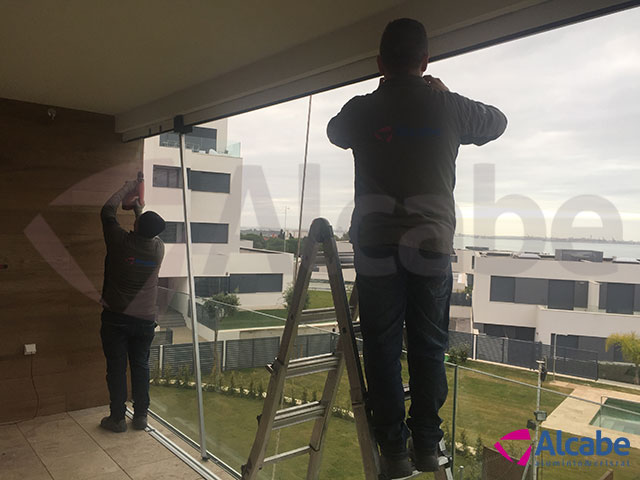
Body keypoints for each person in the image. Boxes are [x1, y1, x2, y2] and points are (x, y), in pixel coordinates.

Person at [327, 18, 507, 477]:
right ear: (426, 61)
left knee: (382, 348)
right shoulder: (447, 106)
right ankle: (427, 444)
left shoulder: (362, 110)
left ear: (380, 63)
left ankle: (394, 450)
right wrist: (441, 94)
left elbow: (334, 131)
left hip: (376, 245)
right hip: (430, 244)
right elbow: (497, 121)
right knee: (429, 346)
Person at [99, 178, 166, 432]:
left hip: (116, 319)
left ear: (136, 226)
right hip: (146, 320)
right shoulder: (158, 249)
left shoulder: (119, 242)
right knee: (140, 366)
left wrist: (125, 187)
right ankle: (141, 417)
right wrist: (138, 206)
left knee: (116, 369)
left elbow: (107, 211)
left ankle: (117, 419)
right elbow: (145, 228)